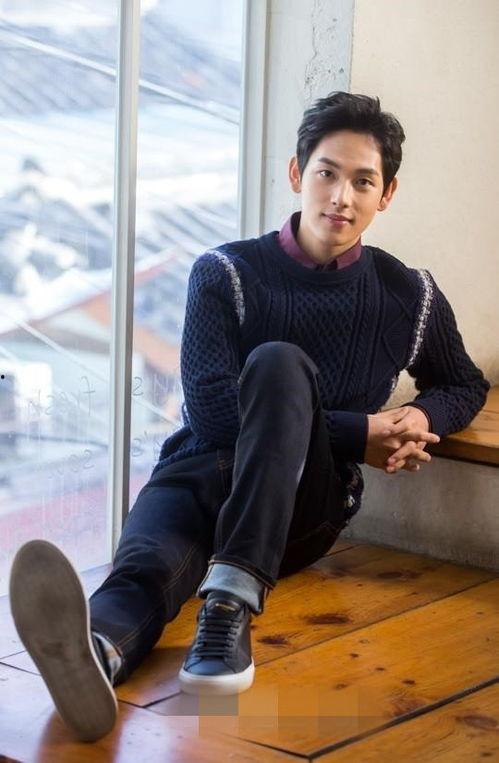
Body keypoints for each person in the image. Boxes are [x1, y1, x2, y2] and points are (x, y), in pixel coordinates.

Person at [9, 92, 489, 743]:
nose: (340, 197)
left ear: (386, 194)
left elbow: (462, 383)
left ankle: (230, 602)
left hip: (303, 501)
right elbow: (211, 410)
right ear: (296, 174)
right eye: (326, 173)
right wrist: (359, 432)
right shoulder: (226, 272)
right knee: (148, 562)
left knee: (277, 363)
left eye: (362, 181)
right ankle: (97, 651)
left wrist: (418, 414)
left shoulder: (408, 294)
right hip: (200, 474)